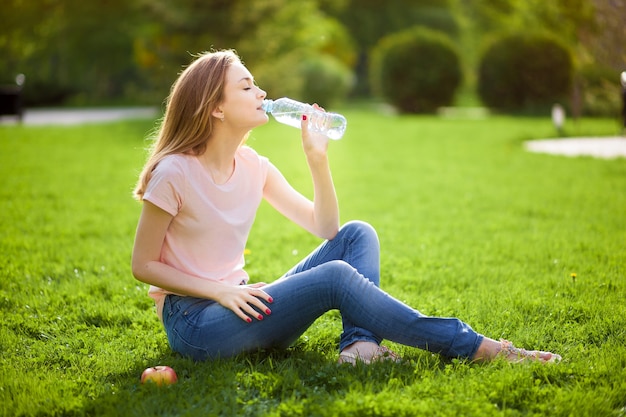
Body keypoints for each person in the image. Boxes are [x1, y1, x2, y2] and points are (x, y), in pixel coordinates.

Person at [131, 49, 561, 365]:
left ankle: (359, 347)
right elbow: (143, 265)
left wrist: (317, 159)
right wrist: (220, 290)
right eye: (246, 86)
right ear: (216, 108)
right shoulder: (174, 172)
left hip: (243, 303)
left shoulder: (253, 166)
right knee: (336, 276)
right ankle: (477, 347)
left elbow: (326, 228)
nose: (262, 92)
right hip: (196, 324)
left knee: (357, 234)